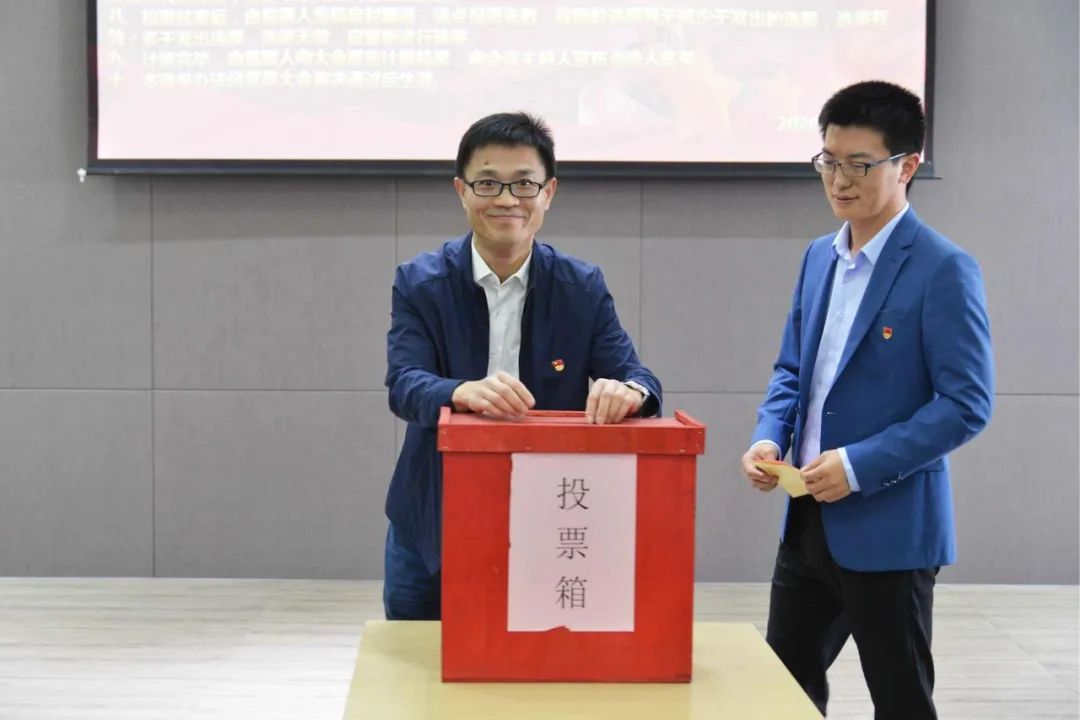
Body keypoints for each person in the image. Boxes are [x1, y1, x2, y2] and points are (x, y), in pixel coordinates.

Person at [740, 81, 993, 719]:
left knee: (901, 702)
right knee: (781, 695)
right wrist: (769, 435)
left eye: (860, 164)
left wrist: (857, 465)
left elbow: (966, 404)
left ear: (907, 166)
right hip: (806, 520)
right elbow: (793, 371)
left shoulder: (942, 267)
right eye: (828, 161)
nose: (839, 180)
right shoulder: (817, 258)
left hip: (891, 529)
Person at [384, 111, 662, 621]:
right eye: (488, 183)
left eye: (524, 183)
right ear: (462, 191)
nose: (507, 199)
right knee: (418, 657)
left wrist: (630, 392)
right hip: (434, 513)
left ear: (548, 192)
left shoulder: (580, 287)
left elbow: (638, 378)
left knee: (537, 659)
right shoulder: (421, 282)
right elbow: (404, 385)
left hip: (548, 516)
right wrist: (461, 392)